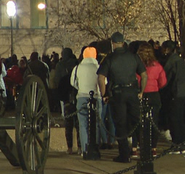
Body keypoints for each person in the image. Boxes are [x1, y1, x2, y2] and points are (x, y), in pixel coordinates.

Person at [97, 31, 146, 163]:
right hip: (132, 91)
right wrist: (141, 90)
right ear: (123, 43)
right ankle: (145, 151)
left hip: (118, 94)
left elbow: (101, 77)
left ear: (113, 43)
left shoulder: (109, 58)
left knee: (120, 124)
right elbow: (144, 74)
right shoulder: (133, 57)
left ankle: (124, 155)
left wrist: (104, 94)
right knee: (137, 122)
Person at [160, 40, 185, 154]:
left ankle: (177, 144)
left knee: (174, 119)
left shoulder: (171, 61)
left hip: (176, 92)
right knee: (180, 119)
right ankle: (181, 143)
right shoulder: (180, 60)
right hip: (184, 92)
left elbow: (167, 79)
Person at [135, 42, 166, 156]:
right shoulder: (157, 66)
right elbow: (163, 82)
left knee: (140, 121)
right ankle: (153, 147)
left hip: (141, 94)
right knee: (154, 120)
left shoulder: (137, 66)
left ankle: (141, 144)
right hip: (154, 94)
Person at [71, 46, 103, 156]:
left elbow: (73, 83)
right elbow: (104, 82)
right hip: (96, 96)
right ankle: (95, 147)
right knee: (97, 123)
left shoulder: (78, 67)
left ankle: (85, 148)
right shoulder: (99, 67)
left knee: (83, 124)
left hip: (82, 96)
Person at [52, 47, 78, 154]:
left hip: (66, 96)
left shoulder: (60, 65)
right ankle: (80, 147)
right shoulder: (76, 64)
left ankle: (70, 147)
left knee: (68, 123)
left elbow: (57, 80)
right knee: (78, 123)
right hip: (77, 94)